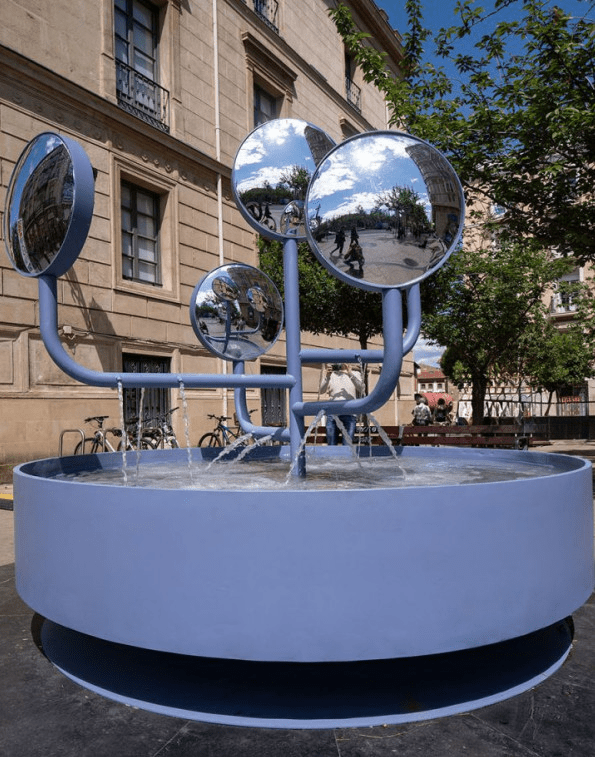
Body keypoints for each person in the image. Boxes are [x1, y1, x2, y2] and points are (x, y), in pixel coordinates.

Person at [320, 363, 363, 445]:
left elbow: (362, 389)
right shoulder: (331, 374)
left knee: (347, 446)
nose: (339, 364)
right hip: (333, 414)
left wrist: (350, 373)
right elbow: (321, 391)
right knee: (331, 445)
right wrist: (327, 376)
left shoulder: (355, 373)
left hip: (350, 413)